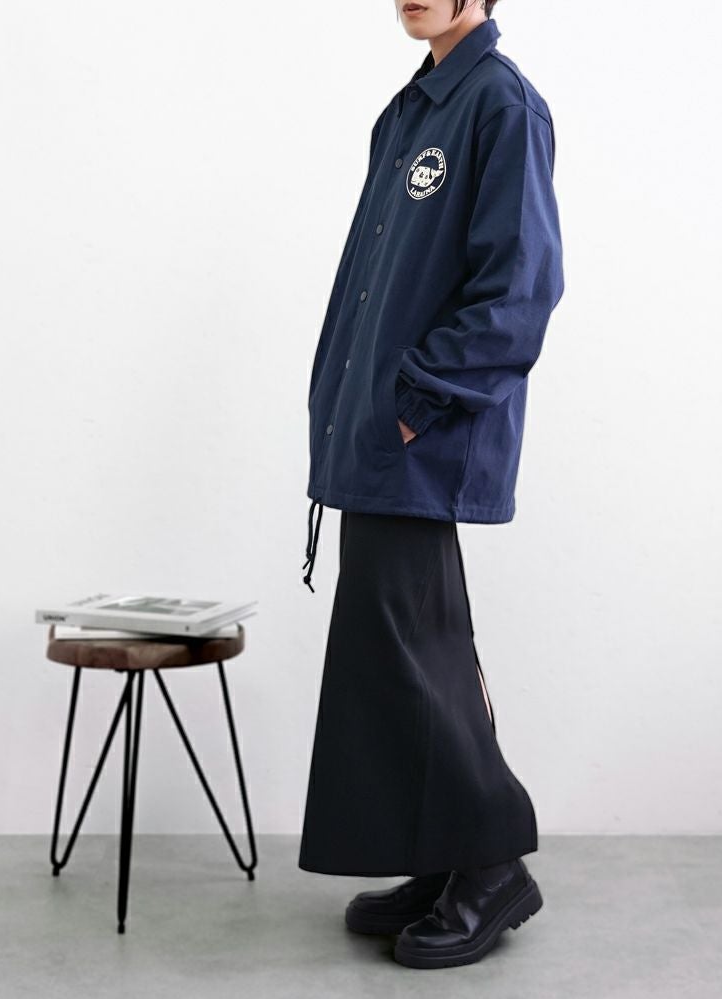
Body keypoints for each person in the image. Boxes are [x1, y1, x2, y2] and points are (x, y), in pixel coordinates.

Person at [298, 0, 564, 970]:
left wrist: (418, 402)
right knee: (393, 650)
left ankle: (491, 864)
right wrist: (348, 404)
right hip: (377, 428)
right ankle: (445, 853)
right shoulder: (410, 111)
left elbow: (521, 286)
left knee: (419, 648)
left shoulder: (501, 104)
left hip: (421, 432)